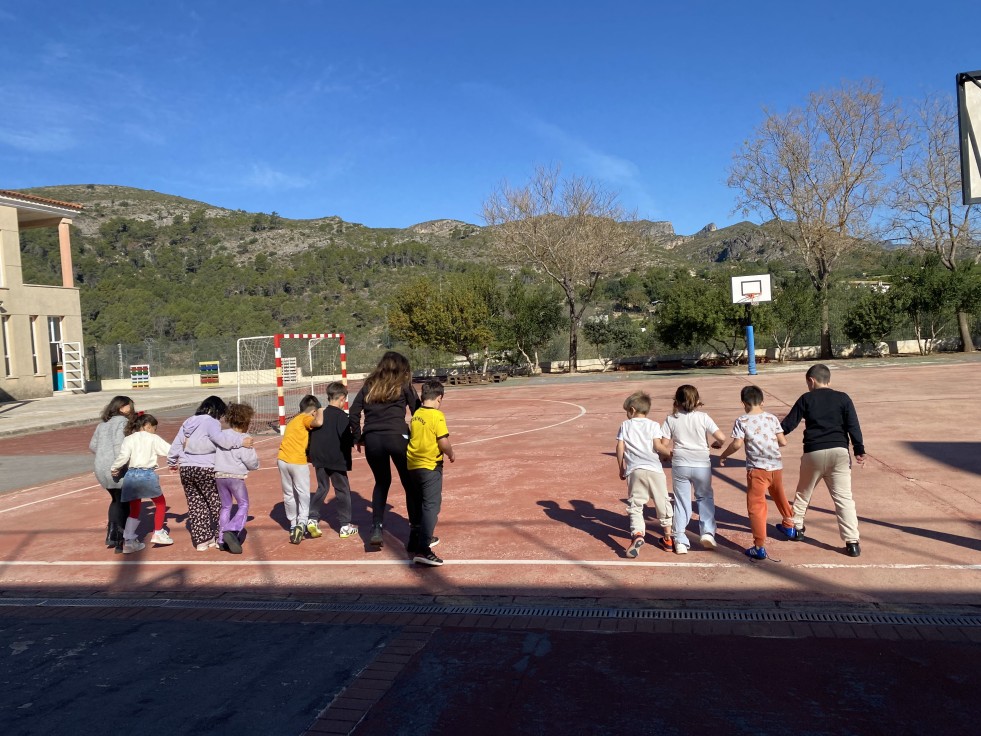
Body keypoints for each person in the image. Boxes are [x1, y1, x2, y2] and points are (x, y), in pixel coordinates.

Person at [780, 364, 866, 557]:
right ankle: (852, 542)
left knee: (803, 493)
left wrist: (771, 435)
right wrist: (859, 449)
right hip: (839, 452)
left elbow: (788, 424)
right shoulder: (843, 398)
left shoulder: (806, 398)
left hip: (814, 452)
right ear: (828, 379)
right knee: (844, 499)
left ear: (811, 381)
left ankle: (798, 529)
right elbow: (853, 425)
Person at [349, 351, 421, 547]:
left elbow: (354, 412)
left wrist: (358, 437)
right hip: (397, 436)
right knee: (409, 483)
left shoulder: (369, 384)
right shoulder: (403, 384)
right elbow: (417, 410)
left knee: (381, 482)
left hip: (373, 439)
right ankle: (415, 530)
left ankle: (376, 528)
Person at [168, 396, 253, 551]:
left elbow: (177, 442)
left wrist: (172, 460)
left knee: (195, 504)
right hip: (205, 467)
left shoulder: (188, 421)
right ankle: (221, 536)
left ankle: (201, 541)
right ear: (217, 410)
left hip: (186, 468)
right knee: (217, 504)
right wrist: (240, 442)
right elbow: (220, 441)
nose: (221, 418)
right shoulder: (211, 422)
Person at [718, 385, 792, 560]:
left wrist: (723, 455)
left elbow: (736, 444)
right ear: (762, 401)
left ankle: (759, 546)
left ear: (743, 403)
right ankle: (789, 524)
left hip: (757, 470)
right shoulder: (772, 418)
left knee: (756, 506)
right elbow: (783, 442)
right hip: (776, 466)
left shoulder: (742, 421)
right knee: (779, 495)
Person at [662, 384, 727, 555]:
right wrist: (717, 444)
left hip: (681, 464)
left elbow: (663, 444)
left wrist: (666, 455)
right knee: (704, 498)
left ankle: (680, 539)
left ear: (676, 401)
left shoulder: (671, 419)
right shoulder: (703, 417)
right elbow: (721, 437)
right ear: (697, 400)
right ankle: (707, 532)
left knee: (681, 502)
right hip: (701, 464)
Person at [615, 390, 674, 557]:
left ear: (632, 410)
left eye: (627, 411)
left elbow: (620, 447)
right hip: (654, 470)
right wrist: (669, 455)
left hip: (635, 470)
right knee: (662, 502)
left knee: (635, 505)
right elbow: (658, 446)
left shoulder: (625, 425)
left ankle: (638, 534)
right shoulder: (654, 425)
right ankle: (668, 538)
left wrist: (621, 467)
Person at [405, 379, 455, 566]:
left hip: (412, 465)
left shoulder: (416, 414)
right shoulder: (437, 416)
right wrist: (451, 453)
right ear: (439, 398)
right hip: (429, 466)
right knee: (431, 506)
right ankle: (423, 549)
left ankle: (417, 539)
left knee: (419, 503)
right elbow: (443, 442)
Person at [110, 413, 174, 553]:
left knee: (135, 508)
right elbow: (170, 451)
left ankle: (129, 540)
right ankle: (158, 532)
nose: (154, 431)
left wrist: (115, 467)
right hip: (147, 474)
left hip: (131, 475)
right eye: (154, 428)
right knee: (160, 503)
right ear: (147, 426)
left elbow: (123, 456)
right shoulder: (153, 438)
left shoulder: (128, 439)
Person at [308, 382, 357, 539]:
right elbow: (346, 439)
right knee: (342, 490)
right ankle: (344, 525)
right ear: (342, 399)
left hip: (320, 458)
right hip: (336, 459)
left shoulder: (318, 415)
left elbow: (312, 435)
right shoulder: (343, 417)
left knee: (322, 487)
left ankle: (312, 518)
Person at [89, 395, 136, 553]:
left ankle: (112, 535)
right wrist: (119, 464)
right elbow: (119, 445)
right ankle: (119, 539)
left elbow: (92, 445)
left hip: (101, 466)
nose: (131, 409)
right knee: (124, 502)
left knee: (115, 499)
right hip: (116, 467)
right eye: (129, 406)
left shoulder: (102, 424)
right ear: (122, 407)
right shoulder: (122, 422)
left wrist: (104, 455)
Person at [277, 394, 324, 544]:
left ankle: (292, 524)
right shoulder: (306, 418)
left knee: (289, 493)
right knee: (303, 493)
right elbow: (319, 422)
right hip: (297, 461)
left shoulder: (293, 421)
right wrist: (322, 410)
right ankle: (301, 523)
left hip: (282, 459)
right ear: (313, 411)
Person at [214, 403, 259, 554]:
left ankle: (221, 539)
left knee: (226, 506)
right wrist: (255, 464)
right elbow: (251, 462)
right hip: (236, 477)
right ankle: (231, 530)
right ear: (245, 422)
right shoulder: (245, 439)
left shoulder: (222, 435)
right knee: (243, 504)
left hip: (219, 475)